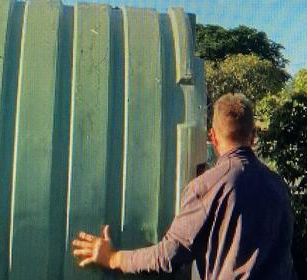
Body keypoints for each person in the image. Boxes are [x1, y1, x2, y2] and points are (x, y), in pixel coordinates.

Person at [71, 93, 295, 279]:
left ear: (213, 136)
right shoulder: (279, 186)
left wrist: (113, 258)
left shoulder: (208, 186)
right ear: (253, 136)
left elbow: (170, 255)